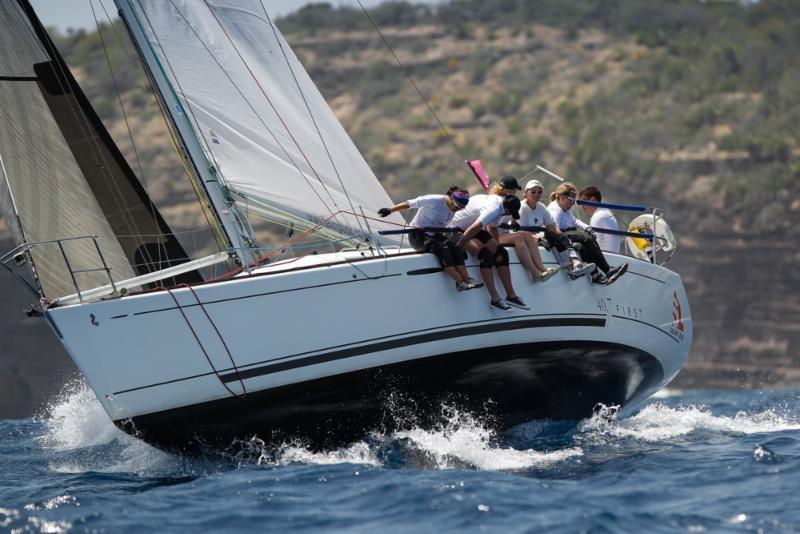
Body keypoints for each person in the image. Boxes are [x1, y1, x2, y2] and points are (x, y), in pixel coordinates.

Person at [378, 186, 483, 292]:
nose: (456, 210)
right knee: (444, 249)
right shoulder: (435, 200)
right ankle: (460, 282)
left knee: (456, 247)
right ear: (451, 198)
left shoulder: (454, 208)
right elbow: (409, 204)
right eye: (456, 206)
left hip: (433, 235)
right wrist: (389, 210)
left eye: (460, 208)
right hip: (417, 236)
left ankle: (468, 279)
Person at [452, 193, 528, 312]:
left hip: (469, 228)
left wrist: (497, 251)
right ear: (506, 209)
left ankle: (511, 296)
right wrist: (460, 246)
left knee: (502, 253)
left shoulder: (500, 205)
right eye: (510, 213)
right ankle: (495, 299)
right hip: (454, 229)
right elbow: (475, 228)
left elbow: (492, 228)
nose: (509, 215)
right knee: (486, 255)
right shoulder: (493, 209)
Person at [547, 182, 628, 285]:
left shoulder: (565, 209)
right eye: (571, 200)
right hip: (561, 235)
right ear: (562, 197)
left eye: (574, 201)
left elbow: (575, 221)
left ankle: (595, 275)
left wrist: (587, 227)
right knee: (587, 239)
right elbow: (554, 229)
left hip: (568, 232)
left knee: (585, 245)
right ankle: (607, 270)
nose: (573, 204)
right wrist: (568, 242)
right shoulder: (555, 210)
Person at [518, 179, 595, 280]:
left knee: (557, 234)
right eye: (533, 191)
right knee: (553, 235)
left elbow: (552, 226)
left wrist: (562, 237)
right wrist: (538, 238)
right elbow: (520, 231)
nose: (536, 194)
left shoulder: (541, 207)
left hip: (538, 237)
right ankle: (573, 266)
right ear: (526, 193)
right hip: (527, 238)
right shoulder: (522, 207)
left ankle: (574, 263)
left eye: (539, 192)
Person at [489, 175, 559, 283]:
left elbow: (510, 217)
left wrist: (513, 222)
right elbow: (490, 226)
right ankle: (535, 273)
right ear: (508, 190)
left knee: (526, 234)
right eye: (515, 189)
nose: (517, 191)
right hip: (493, 234)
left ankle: (542, 269)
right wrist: (495, 245)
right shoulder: (495, 202)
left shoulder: (510, 200)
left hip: (503, 232)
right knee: (518, 238)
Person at [578, 186, 620, 253]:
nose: (582, 206)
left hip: (605, 257)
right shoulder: (606, 213)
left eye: (583, 201)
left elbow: (595, 245)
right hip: (613, 256)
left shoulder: (598, 217)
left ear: (592, 200)